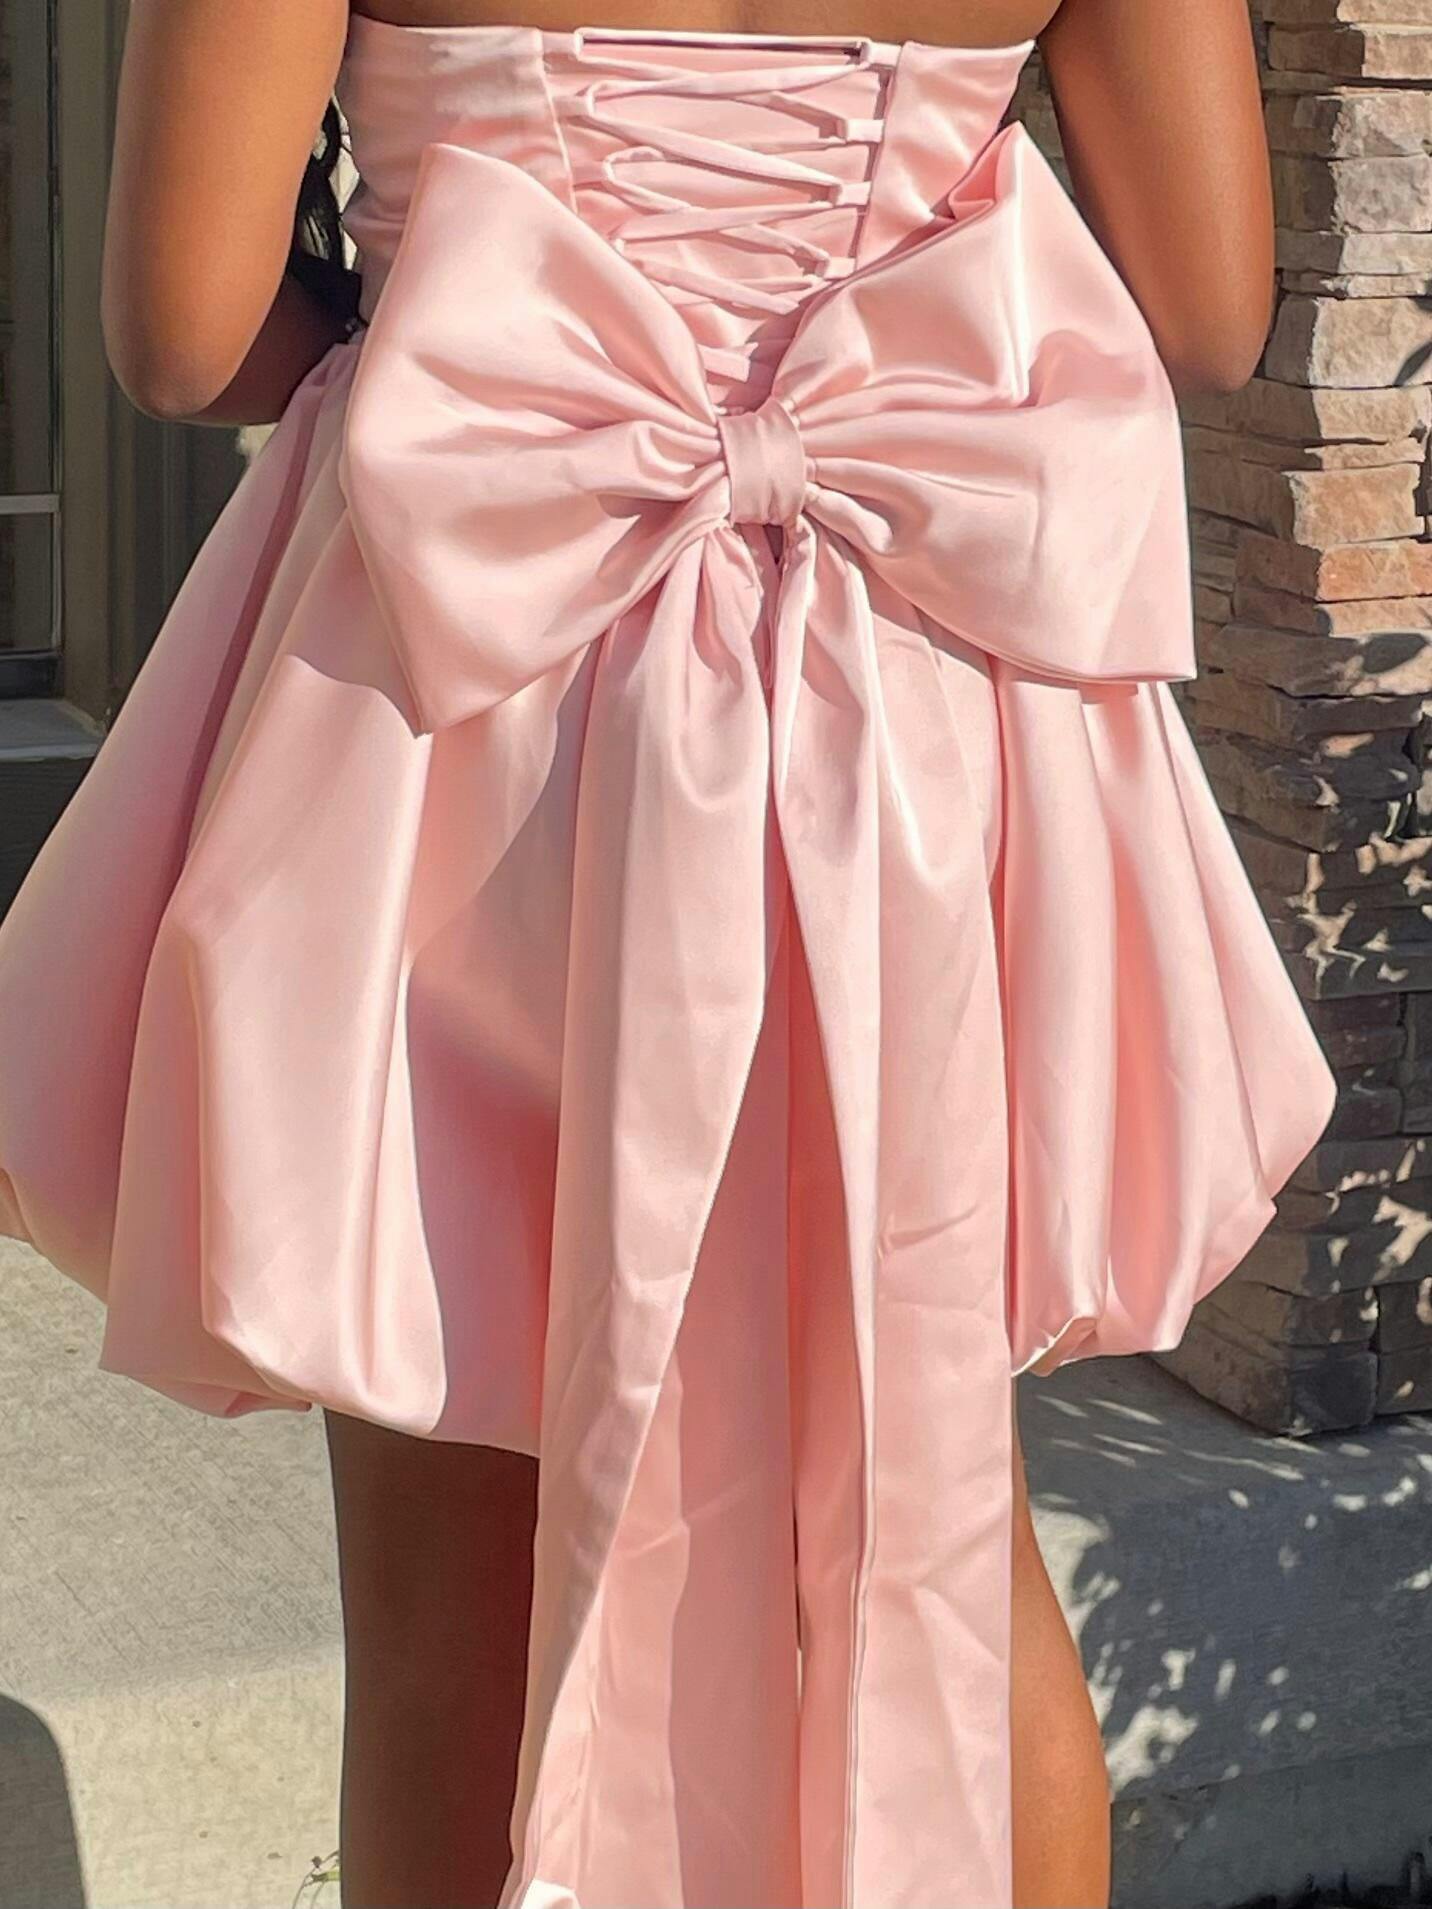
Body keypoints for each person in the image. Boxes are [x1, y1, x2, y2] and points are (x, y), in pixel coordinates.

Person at [0, 1, 1336, 1905]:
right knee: (927, 1515)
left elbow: (185, 319)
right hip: (905, 702)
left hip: (473, 686)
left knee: (454, 1575)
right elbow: (1201, 309)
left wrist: (469, 368)